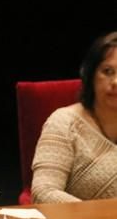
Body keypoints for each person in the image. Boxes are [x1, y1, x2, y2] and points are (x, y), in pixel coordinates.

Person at [31, 32, 117, 203]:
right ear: (91, 76)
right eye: (107, 71)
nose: (115, 81)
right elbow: (43, 192)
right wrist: (102, 215)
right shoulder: (64, 122)